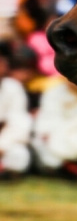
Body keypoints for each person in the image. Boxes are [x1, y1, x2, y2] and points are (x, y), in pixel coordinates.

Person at [0, 46, 30, 177]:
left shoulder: (13, 87)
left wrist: (2, 146)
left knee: (19, 156)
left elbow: (19, 122)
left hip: (3, 142)